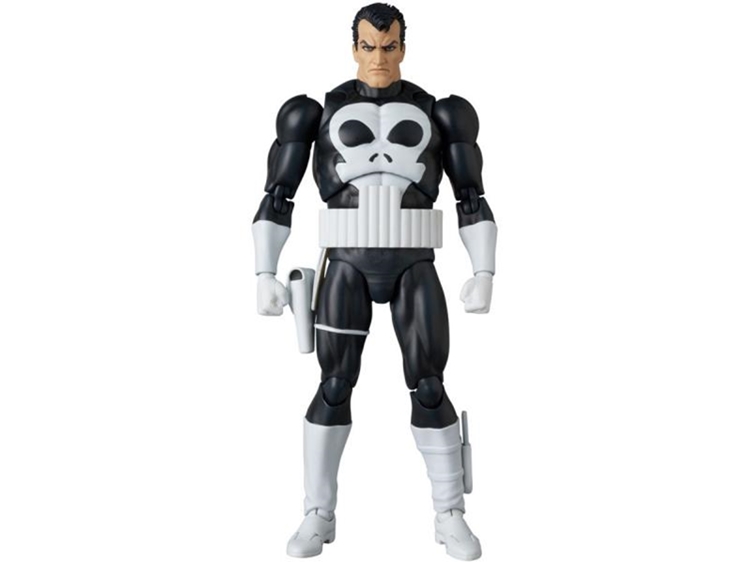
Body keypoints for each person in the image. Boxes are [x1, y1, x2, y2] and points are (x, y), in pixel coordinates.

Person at [252, 4, 496, 560]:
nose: (379, 58)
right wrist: (265, 271)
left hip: (414, 262)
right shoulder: (315, 113)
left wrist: (484, 270)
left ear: (403, 47)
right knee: (334, 384)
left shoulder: (440, 113)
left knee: (429, 384)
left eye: (389, 47)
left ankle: (449, 512)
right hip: (346, 262)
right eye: (369, 47)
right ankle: (318, 512)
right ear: (354, 48)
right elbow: (278, 195)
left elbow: (471, 196)